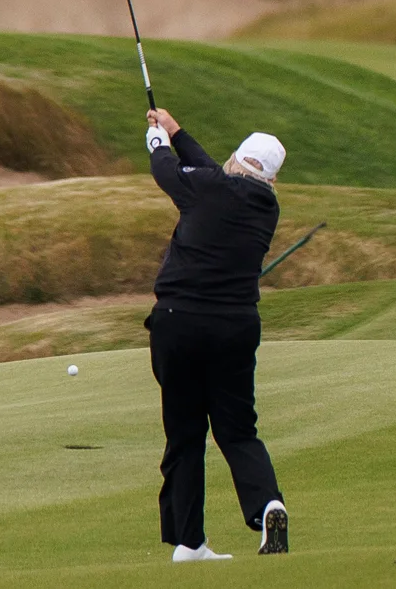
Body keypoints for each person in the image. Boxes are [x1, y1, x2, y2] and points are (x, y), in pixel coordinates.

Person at [143, 107, 289, 562]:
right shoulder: (266, 207)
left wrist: (158, 144)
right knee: (238, 430)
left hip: (180, 323)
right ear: (271, 178)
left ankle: (189, 542)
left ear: (237, 160)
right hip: (235, 329)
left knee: (185, 433)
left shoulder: (207, 188)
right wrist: (177, 132)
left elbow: (167, 173)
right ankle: (267, 505)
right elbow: (212, 175)